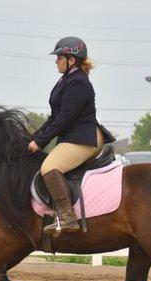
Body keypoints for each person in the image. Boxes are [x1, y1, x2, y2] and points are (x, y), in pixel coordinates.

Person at [28, 36, 105, 237]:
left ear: (72, 59)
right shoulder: (66, 80)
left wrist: (41, 141)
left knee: (49, 167)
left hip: (85, 138)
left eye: (59, 57)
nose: (56, 61)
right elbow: (54, 117)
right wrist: (34, 138)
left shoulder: (78, 82)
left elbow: (66, 118)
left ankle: (67, 218)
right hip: (74, 137)